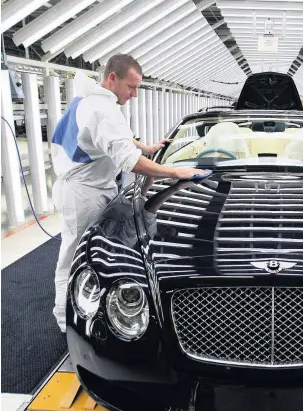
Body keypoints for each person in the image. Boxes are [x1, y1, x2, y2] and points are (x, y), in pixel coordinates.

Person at [51, 54, 206, 332]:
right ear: (113, 78)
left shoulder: (93, 100)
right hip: (83, 191)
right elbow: (128, 160)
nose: (134, 94)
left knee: (92, 252)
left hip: (93, 186)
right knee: (75, 258)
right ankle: (67, 323)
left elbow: (111, 138)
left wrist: (145, 147)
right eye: (131, 87)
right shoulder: (102, 110)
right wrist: (175, 172)